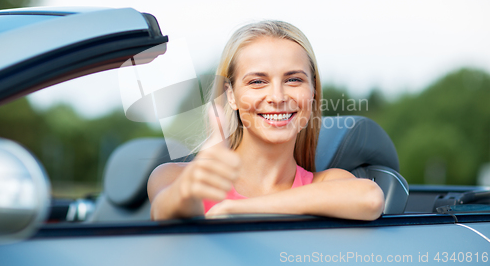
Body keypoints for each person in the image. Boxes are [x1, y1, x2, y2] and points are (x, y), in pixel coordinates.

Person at [147, 20, 384, 220]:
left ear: (312, 92)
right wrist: (188, 190)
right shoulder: (174, 177)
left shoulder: (326, 184)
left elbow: (370, 198)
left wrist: (238, 209)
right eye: (257, 81)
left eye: (293, 80)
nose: (278, 97)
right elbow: (164, 210)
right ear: (230, 95)